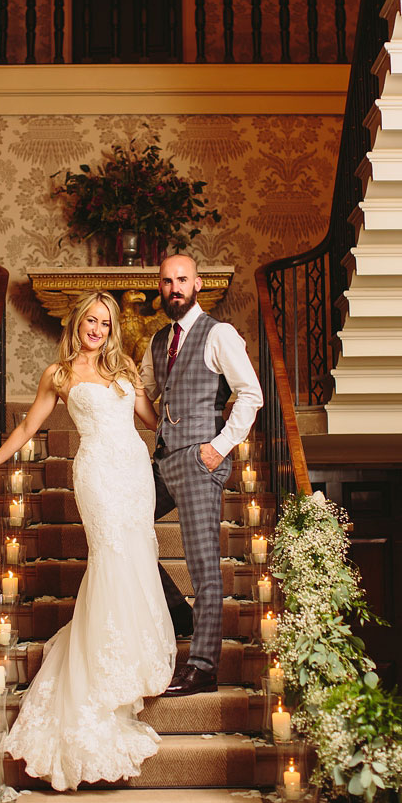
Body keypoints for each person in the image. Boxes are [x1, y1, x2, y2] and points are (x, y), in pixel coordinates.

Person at [0, 291, 173, 790]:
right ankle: (104, 670)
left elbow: (154, 423)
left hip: (135, 473)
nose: (97, 329)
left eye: (105, 322)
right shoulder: (59, 374)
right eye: (90, 321)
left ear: (112, 328)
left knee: (138, 555)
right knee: (111, 557)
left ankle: (133, 655)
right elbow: (29, 426)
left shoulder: (125, 370)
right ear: (77, 324)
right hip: (97, 474)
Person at [143, 253, 263, 697]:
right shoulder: (158, 340)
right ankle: (180, 614)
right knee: (123, 529)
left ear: (198, 284)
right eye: (166, 281)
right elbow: (143, 391)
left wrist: (218, 448)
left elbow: (251, 394)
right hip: (163, 460)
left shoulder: (219, 334)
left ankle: (203, 665)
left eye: (181, 280)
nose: (174, 287)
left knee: (203, 568)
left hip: (199, 460)